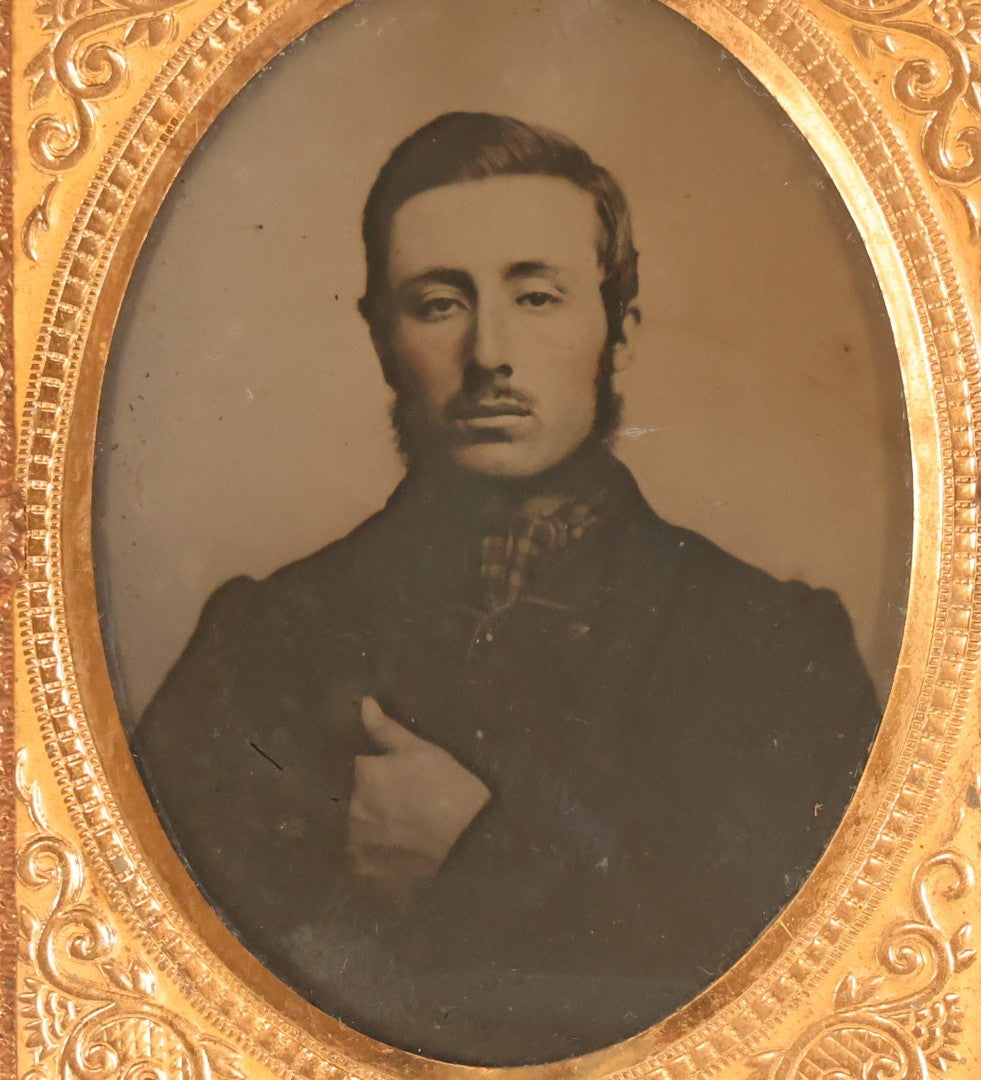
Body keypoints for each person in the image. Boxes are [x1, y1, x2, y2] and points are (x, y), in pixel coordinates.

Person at [132, 112, 881, 1065]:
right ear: (379, 337)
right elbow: (155, 989)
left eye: (537, 297)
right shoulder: (260, 636)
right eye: (438, 303)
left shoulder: (772, 645)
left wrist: (478, 849)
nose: (490, 354)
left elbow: (824, 1003)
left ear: (620, 329)